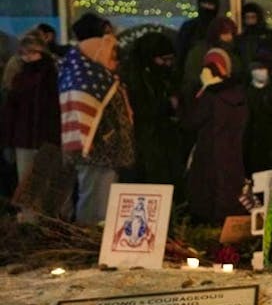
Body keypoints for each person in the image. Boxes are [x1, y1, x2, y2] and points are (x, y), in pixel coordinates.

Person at [59, 27, 135, 225]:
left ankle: (99, 241)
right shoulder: (86, 79)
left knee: (106, 203)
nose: (114, 63)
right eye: (111, 57)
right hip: (97, 153)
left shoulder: (102, 77)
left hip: (109, 153)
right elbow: (84, 118)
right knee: (95, 203)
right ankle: (89, 242)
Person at [183, 48, 249, 225]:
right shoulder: (239, 94)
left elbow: (192, 121)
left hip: (209, 153)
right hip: (233, 153)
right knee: (230, 193)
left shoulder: (209, 96)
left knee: (208, 196)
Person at [119, 32, 183, 187]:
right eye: (164, 59)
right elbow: (143, 109)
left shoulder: (157, 75)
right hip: (145, 144)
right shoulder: (135, 78)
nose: (168, 64)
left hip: (159, 140)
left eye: (171, 59)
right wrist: (168, 105)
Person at [1, 33, 59, 186]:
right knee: (28, 186)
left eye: (32, 52)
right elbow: (10, 112)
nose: (27, 57)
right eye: (24, 53)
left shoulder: (52, 76)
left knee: (47, 185)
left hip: (45, 139)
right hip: (27, 139)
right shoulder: (19, 77)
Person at [243, 53, 272, 175]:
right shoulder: (247, 90)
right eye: (254, 69)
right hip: (254, 142)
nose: (258, 71)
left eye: (261, 68)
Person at [182, 16, 241, 97]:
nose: (229, 37)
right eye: (225, 33)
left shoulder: (232, 51)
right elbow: (192, 77)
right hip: (205, 97)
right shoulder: (200, 51)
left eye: (231, 33)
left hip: (226, 99)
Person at [176, 0, 221, 73]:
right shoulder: (190, 28)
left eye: (210, 4)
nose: (207, 7)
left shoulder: (189, 27)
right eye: (205, 3)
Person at [236, 2, 272, 71]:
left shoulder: (269, 35)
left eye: (253, 17)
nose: (250, 20)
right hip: (246, 74)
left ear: (258, 18)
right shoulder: (241, 38)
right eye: (247, 17)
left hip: (265, 73)